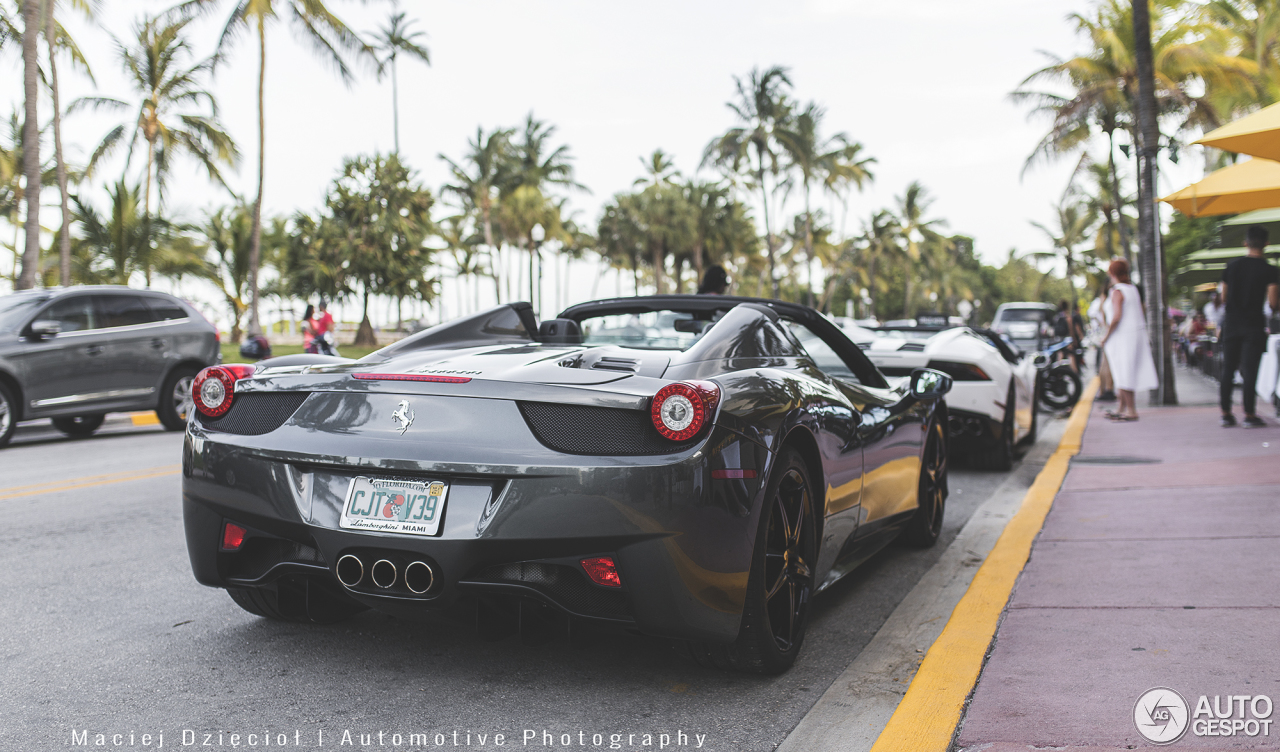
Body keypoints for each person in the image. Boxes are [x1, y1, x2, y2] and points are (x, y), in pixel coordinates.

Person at [1218, 225, 1280, 427]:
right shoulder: (1269, 269)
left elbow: (1224, 297)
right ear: (1266, 244)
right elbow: (1273, 302)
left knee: (1228, 368)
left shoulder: (1232, 266)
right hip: (1253, 324)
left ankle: (1225, 413)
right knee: (1250, 369)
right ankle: (1249, 414)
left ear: (1245, 243)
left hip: (1232, 322)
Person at [1099, 257, 1159, 421]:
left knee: (1123, 372)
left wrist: (1106, 336)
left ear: (1112, 273)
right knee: (1125, 371)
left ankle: (1131, 410)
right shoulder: (1132, 289)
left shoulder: (1117, 291)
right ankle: (1122, 407)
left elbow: (1116, 317)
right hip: (1134, 334)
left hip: (1122, 336)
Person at [1089, 278, 1116, 401]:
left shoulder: (1101, 299)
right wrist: (1106, 329)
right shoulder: (1109, 298)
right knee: (1108, 364)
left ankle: (1102, 391)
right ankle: (1108, 390)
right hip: (1109, 333)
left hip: (1104, 333)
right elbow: (1108, 319)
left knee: (1104, 363)